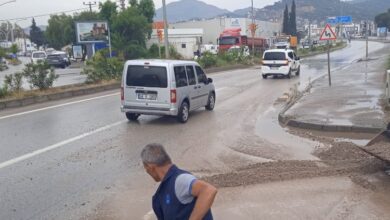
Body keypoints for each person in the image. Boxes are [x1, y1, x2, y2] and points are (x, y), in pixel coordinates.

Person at [141, 143, 217, 220]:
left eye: (145, 167)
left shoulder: (180, 179)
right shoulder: (162, 188)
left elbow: (208, 190)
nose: (146, 171)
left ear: (150, 167)